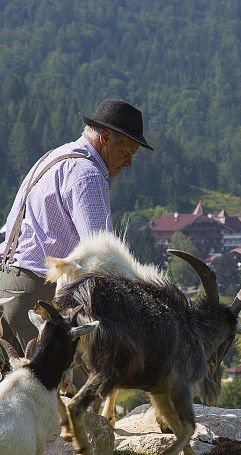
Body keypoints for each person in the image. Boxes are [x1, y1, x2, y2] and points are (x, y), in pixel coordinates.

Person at [0, 98, 153, 354]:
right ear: (106, 137)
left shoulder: (55, 157)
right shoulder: (88, 175)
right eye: (126, 153)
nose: (128, 163)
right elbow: (103, 256)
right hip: (39, 296)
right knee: (80, 386)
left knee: (15, 389)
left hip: (7, 285)